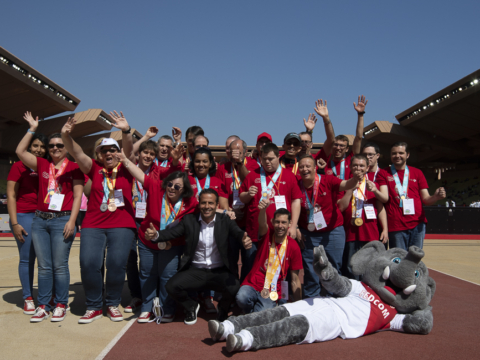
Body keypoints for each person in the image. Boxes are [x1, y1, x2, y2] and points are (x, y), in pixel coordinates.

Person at [60, 112, 137, 324]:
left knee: (116, 264)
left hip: (122, 224)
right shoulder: (93, 168)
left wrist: (126, 131)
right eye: (104, 151)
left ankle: (112, 303)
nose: (109, 153)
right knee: (88, 262)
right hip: (93, 224)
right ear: (98, 155)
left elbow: (129, 150)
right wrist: (66, 136)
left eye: (113, 149)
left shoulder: (126, 169)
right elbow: (76, 152)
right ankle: (93, 305)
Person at [145, 188, 253, 325]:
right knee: (171, 286)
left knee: (234, 286)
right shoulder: (190, 220)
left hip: (218, 271)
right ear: (199, 203)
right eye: (203, 203)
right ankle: (191, 306)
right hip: (196, 271)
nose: (207, 206)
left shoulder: (224, 220)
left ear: (216, 205)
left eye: (210, 203)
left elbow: (238, 232)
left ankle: (222, 308)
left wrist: (244, 240)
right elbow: (173, 233)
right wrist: (156, 236)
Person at [16, 112, 84, 323]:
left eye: (59, 145)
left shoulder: (74, 167)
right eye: (52, 145)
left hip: (63, 220)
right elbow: (19, 151)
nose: (55, 148)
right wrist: (32, 129)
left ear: (66, 147)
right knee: (44, 266)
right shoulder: (42, 165)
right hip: (40, 220)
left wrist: (72, 221)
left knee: (59, 265)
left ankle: (61, 304)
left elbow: (79, 195)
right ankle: (43, 305)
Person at [118, 144, 195, 323]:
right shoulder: (155, 188)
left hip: (172, 244)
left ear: (183, 190)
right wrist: (125, 161)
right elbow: (138, 174)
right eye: (169, 184)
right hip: (147, 241)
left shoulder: (189, 203)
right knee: (146, 273)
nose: (172, 188)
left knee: (167, 276)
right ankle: (146, 307)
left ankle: (167, 308)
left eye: (177, 187)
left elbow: (208, 209)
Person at [296, 154, 363, 298]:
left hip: (333, 232)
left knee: (333, 267)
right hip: (308, 234)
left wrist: (355, 179)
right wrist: (295, 227)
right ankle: (311, 301)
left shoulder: (327, 180)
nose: (305, 169)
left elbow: (346, 184)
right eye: (301, 166)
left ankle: (334, 300)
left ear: (315, 168)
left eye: (308, 166)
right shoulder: (296, 184)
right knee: (311, 270)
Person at [239, 143, 302, 276]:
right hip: (255, 233)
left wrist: (294, 225)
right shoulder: (252, 176)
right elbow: (242, 198)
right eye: (264, 159)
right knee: (251, 268)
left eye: (271, 159)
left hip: (280, 232)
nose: (267, 162)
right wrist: (248, 194)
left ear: (278, 157)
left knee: (281, 269)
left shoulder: (289, 176)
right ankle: (247, 295)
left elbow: (296, 200)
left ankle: (281, 295)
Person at [236, 203, 302, 313]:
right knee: (241, 298)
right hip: (254, 283)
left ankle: (252, 315)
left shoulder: (294, 246)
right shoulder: (267, 235)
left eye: (283, 222)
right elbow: (262, 223)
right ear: (272, 222)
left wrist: (300, 307)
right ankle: (251, 313)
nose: (280, 226)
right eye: (277, 222)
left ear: (290, 224)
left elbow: (295, 280)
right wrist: (263, 210)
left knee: (263, 312)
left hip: (273, 289)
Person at [7, 132, 47, 315]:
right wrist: (14, 223)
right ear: (29, 147)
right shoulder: (18, 166)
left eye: (42, 146)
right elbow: (11, 195)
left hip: (45, 216)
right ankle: (28, 297)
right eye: (35, 146)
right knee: (27, 259)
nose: (39, 150)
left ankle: (46, 297)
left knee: (46, 260)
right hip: (25, 216)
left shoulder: (48, 167)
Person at [188, 147, 230, 311]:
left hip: (212, 228)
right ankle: (192, 299)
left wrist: (220, 211)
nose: (201, 164)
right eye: (197, 161)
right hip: (192, 227)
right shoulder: (186, 179)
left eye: (205, 161)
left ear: (210, 163)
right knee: (193, 263)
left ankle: (207, 297)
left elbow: (225, 208)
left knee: (208, 263)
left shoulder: (217, 182)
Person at [383, 142, 446, 250]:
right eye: (394, 153)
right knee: (399, 260)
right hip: (396, 225)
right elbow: (383, 197)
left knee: (415, 259)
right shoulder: (384, 173)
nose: (397, 155)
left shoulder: (417, 173)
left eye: (401, 153)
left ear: (408, 155)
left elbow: (426, 199)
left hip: (418, 224)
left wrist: (435, 197)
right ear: (390, 155)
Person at [337, 155, 389, 279]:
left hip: (370, 233)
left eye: (361, 166)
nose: (358, 168)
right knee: (351, 268)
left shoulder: (373, 185)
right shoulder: (343, 185)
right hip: (350, 234)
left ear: (367, 168)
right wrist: (350, 190)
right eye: (355, 165)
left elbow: (381, 209)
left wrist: (385, 229)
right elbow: (340, 207)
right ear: (350, 167)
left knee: (370, 268)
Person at [216, 138, 259, 281]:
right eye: (230, 150)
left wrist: (240, 163)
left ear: (245, 152)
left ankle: (245, 289)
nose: (233, 154)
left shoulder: (254, 165)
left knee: (249, 260)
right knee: (230, 259)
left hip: (249, 222)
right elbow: (221, 193)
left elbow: (249, 180)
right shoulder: (223, 168)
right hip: (231, 221)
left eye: (237, 151)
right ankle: (232, 292)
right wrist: (228, 210)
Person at [313, 96, 367, 184]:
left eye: (342, 146)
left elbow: (359, 137)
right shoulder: (325, 163)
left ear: (347, 149)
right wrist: (325, 117)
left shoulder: (351, 160)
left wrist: (360, 114)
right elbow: (330, 138)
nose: (338, 148)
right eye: (336, 145)